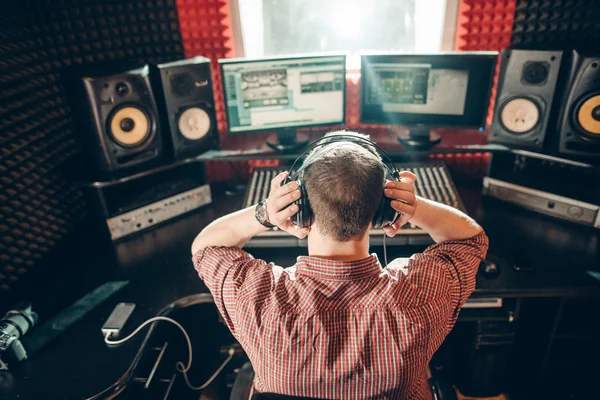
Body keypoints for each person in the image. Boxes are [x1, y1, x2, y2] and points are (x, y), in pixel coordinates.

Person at [191, 131, 489, 400]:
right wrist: (414, 206)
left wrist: (266, 212)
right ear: (381, 212)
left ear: (302, 212)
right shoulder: (422, 294)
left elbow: (206, 247)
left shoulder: (257, 299)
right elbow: (470, 239)